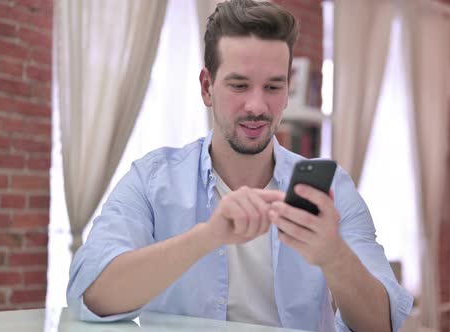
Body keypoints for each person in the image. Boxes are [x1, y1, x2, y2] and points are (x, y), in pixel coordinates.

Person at [66, 0, 413, 331]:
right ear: (207, 87)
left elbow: (383, 325)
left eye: (273, 86)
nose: (257, 105)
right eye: (239, 85)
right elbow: (89, 293)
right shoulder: (152, 179)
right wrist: (208, 237)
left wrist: (334, 255)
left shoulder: (332, 189)